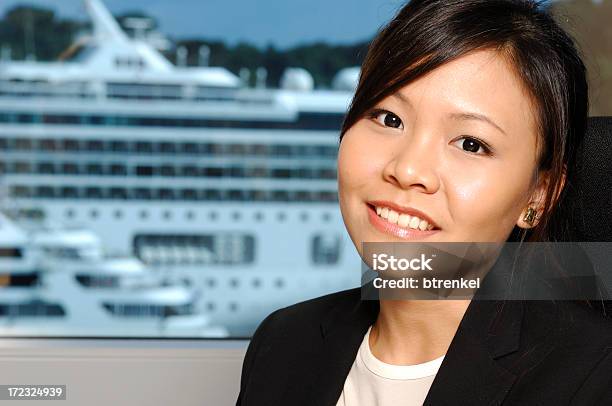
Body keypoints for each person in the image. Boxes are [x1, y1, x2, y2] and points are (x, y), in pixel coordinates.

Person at [235, 0, 612, 404]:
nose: (408, 169)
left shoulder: (593, 378)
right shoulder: (285, 341)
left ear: (539, 195)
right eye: (388, 118)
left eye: (471, 144)